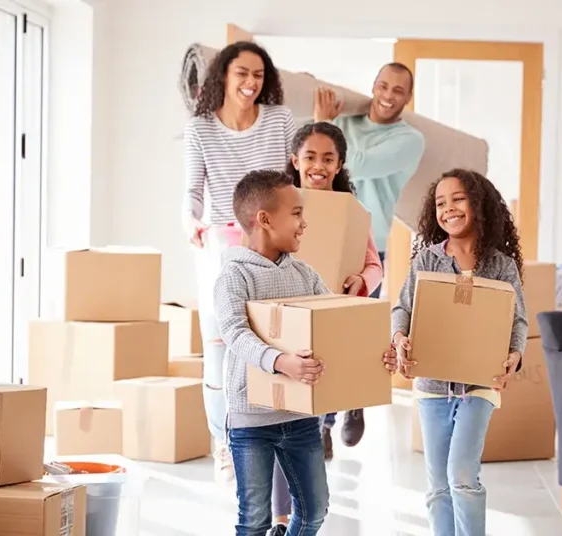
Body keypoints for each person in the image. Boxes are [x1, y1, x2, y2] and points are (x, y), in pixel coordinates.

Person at [214, 169, 399, 536]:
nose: (304, 224)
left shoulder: (304, 273)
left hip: (300, 415)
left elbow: (336, 326)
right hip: (251, 418)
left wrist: (378, 355)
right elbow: (235, 332)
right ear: (264, 220)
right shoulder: (234, 275)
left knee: (314, 511)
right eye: (296, 213)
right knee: (254, 520)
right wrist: (282, 362)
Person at [182, 40, 296, 484]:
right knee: (220, 353)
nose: (251, 83)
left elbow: (294, 180)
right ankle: (224, 445)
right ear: (223, 77)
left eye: (259, 76)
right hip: (220, 246)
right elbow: (192, 191)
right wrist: (189, 222)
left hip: (271, 247)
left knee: (272, 344)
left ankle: (275, 443)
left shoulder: (280, 120)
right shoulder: (200, 129)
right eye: (242, 74)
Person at [390, 169, 528, 536]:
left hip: (479, 386)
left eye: (458, 199)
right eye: (440, 203)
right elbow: (402, 307)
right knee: (438, 486)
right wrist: (400, 335)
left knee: (461, 476)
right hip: (433, 386)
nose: (448, 208)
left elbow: (517, 321)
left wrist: (515, 355)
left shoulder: (501, 266)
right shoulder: (427, 261)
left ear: (478, 205)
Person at [312, 62, 426, 448]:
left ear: (407, 98)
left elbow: (354, 163)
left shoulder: (409, 140)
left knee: (354, 337)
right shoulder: (347, 122)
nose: (387, 95)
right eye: (382, 85)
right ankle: (323, 427)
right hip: (325, 237)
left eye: (397, 90)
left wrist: (326, 125)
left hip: (367, 244)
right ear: (374, 86)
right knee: (321, 336)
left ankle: (353, 403)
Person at [286, 121, 384, 458]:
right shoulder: (279, 205)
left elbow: (375, 266)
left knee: (330, 364)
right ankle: (321, 428)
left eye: (328, 159)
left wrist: (361, 281)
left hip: (336, 307)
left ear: (339, 165)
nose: (319, 166)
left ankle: (344, 407)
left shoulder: (350, 211)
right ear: (295, 161)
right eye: (310, 157)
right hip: (294, 309)